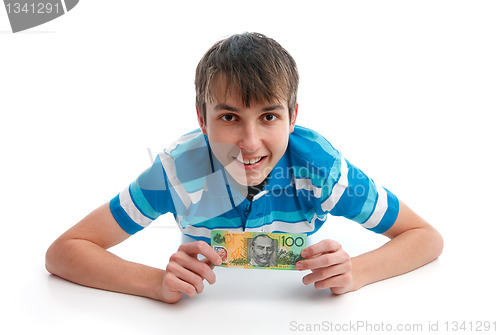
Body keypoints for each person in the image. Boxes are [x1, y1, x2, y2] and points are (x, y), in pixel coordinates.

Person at [45, 32, 443, 304]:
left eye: (269, 117)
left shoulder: (322, 169)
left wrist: (356, 271)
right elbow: (64, 252)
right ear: (202, 120)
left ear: (292, 117)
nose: (250, 144)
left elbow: (425, 237)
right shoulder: (176, 171)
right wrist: (155, 283)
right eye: (230, 118)